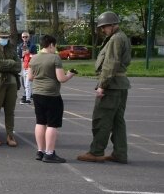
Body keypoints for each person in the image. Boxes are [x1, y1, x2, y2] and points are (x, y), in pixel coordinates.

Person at [78, 11, 131, 164]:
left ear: (113, 25)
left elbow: (110, 64)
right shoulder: (122, 37)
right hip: (120, 85)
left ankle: (96, 152)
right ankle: (120, 153)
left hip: (112, 86)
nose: (103, 30)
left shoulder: (115, 39)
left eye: (105, 27)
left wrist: (102, 85)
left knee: (102, 119)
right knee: (117, 121)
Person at [28, 34, 77, 163]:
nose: (55, 48)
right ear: (50, 45)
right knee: (52, 124)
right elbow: (61, 79)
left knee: (40, 122)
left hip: (37, 93)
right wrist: (70, 75)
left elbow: (30, 77)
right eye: (54, 46)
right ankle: (49, 153)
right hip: (51, 94)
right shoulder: (55, 58)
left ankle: (40, 151)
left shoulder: (34, 58)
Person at [18, 31, 36, 104]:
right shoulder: (20, 45)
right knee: (24, 82)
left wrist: (29, 53)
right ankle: (29, 94)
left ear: (29, 37)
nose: (25, 38)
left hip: (30, 66)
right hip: (24, 65)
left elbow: (35, 56)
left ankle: (27, 97)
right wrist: (22, 54)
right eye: (23, 37)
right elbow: (19, 56)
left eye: (26, 37)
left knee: (28, 83)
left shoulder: (32, 45)